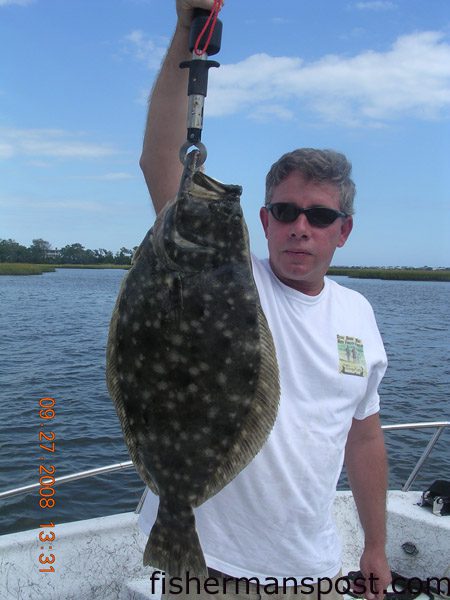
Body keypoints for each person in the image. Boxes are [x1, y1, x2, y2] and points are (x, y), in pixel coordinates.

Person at [137, 1, 391, 598]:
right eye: (286, 212)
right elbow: (160, 164)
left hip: (312, 565)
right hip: (206, 560)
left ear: (343, 230)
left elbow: (364, 435)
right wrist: (186, 32)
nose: (301, 227)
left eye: (320, 215)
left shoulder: (359, 313)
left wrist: (375, 544)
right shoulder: (224, 276)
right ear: (265, 221)